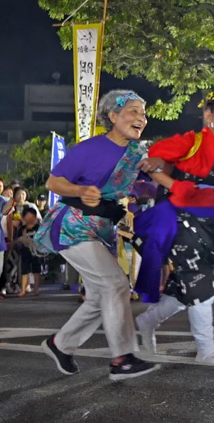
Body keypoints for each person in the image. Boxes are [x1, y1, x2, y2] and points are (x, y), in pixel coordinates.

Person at [34, 90, 160, 380]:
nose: (141, 118)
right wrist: (80, 190)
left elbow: (149, 181)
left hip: (102, 229)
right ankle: (122, 358)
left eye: (143, 114)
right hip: (73, 226)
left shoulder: (138, 153)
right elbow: (54, 182)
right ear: (113, 116)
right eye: (133, 111)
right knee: (116, 283)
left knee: (98, 297)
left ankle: (60, 344)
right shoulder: (89, 149)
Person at [134, 92, 214, 365]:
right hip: (180, 218)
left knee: (188, 289)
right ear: (208, 116)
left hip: (211, 224)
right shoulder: (191, 142)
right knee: (199, 277)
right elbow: (151, 161)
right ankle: (205, 348)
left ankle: (146, 322)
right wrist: (174, 185)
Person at [16, 206, 42, 297]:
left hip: (36, 252)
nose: (29, 218)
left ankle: (36, 289)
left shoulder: (39, 227)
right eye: (27, 216)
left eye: (31, 215)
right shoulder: (22, 228)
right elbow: (18, 239)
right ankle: (23, 290)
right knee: (25, 270)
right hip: (25, 251)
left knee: (36, 270)